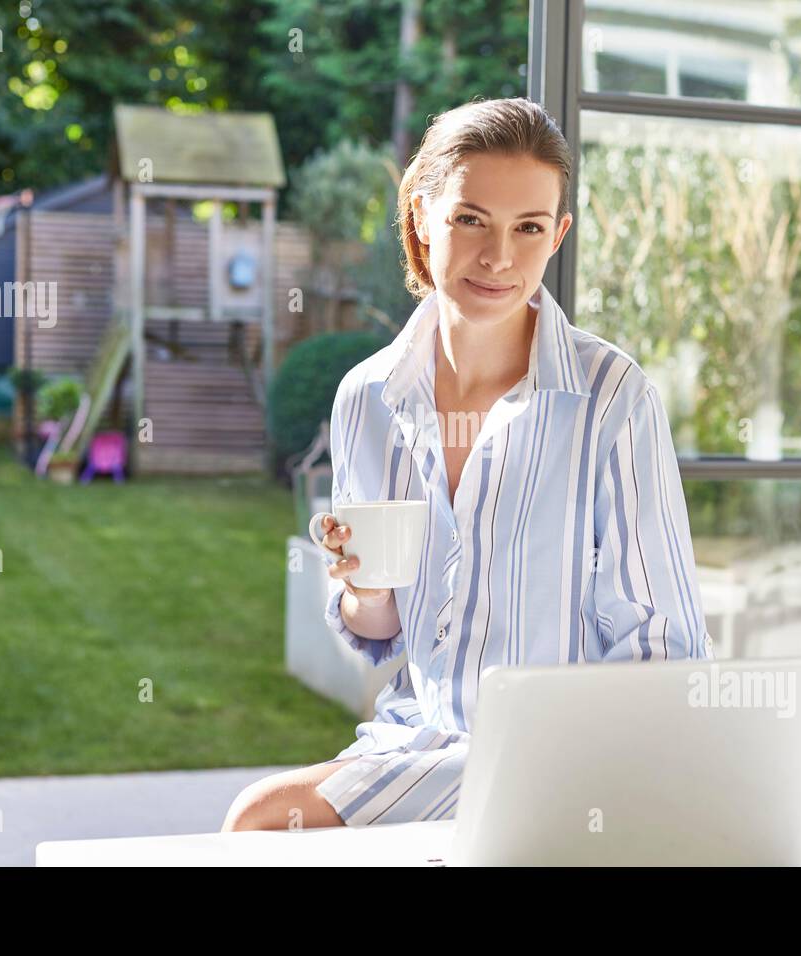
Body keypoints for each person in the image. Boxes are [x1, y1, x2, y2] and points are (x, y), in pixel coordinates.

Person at [221, 96, 713, 833]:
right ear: (422, 215)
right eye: (471, 219)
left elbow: (666, 647)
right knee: (256, 823)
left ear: (558, 237)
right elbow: (377, 629)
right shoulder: (367, 398)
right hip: (418, 740)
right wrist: (366, 587)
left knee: (258, 817)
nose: (499, 257)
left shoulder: (611, 399)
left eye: (529, 228)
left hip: (567, 757)